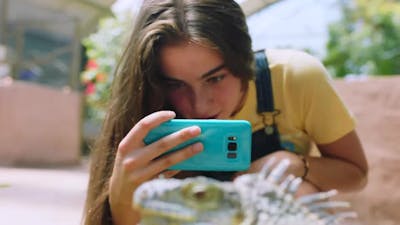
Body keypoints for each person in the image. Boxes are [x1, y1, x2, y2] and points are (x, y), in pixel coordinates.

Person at [83, 0, 368, 224]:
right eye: (175, 84)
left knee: (300, 191)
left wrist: (297, 164)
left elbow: (356, 174)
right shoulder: (148, 105)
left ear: (245, 60)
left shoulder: (294, 76)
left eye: (215, 78)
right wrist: (121, 198)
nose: (200, 105)